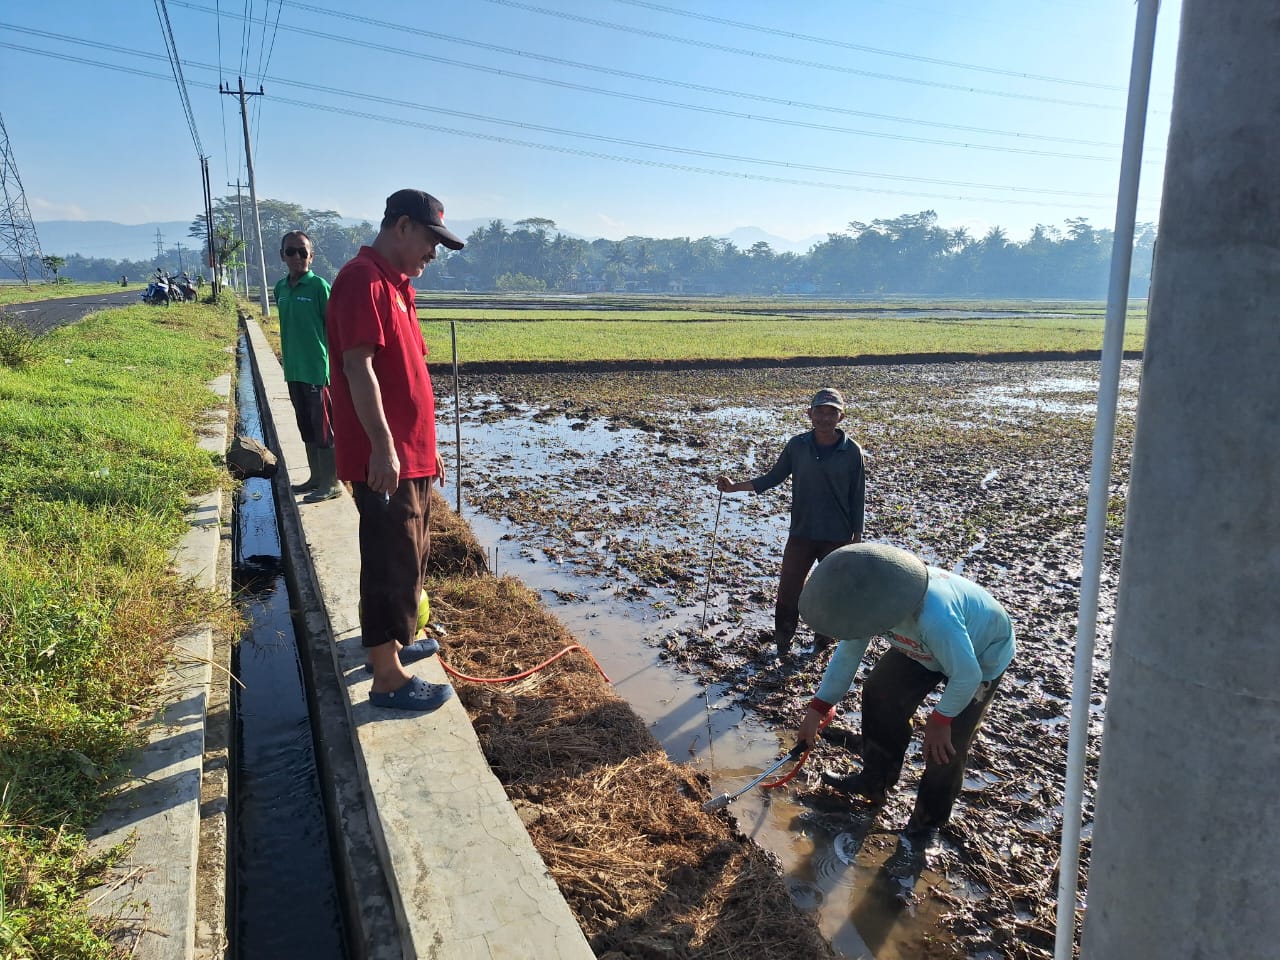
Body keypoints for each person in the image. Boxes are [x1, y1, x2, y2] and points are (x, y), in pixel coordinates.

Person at [326, 189, 465, 713]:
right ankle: (387, 677)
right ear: (403, 227)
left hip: (412, 455)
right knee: (389, 557)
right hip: (387, 458)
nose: (435, 252)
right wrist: (384, 448)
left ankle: (398, 641)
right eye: (432, 240)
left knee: (412, 552)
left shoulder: (397, 285)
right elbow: (357, 367)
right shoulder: (362, 280)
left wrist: (427, 451)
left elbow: (406, 375)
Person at [794, 542, 1016, 861]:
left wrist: (941, 720)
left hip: (981, 655)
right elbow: (847, 655)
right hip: (923, 650)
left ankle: (927, 822)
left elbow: (967, 674)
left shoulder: (934, 615)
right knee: (879, 692)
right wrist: (818, 707)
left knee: (947, 744)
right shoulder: (868, 607)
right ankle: (875, 781)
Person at [715, 387, 865, 659]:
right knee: (788, 589)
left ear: (840, 418)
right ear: (809, 414)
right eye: (820, 412)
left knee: (831, 592)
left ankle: (822, 643)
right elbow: (773, 477)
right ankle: (783, 641)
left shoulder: (852, 451)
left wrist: (857, 536)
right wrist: (734, 487)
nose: (825, 418)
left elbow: (858, 496)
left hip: (838, 535)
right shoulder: (798, 446)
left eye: (831, 413)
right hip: (802, 533)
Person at [274, 230, 340, 502]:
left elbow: (335, 329)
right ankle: (315, 477)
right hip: (293, 370)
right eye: (291, 251)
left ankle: (331, 483)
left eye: (303, 251)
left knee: (323, 428)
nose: (297, 257)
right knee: (305, 426)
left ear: (311, 256)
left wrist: (333, 369)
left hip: (316, 371)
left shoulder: (319, 287)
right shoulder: (280, 288)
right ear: (283, 256)